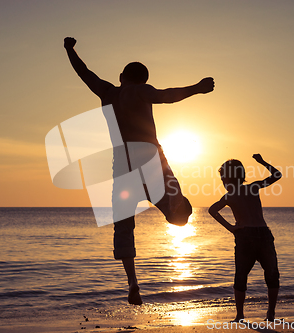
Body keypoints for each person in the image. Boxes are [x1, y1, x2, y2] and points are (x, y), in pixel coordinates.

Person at [64, 37, 214, 305]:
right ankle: (168, 202)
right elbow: (167, 95)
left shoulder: (108, 92)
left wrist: (70, 49)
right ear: (144, 81)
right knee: (181, 217)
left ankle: (133, 283)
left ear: (121, 76)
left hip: (122, 165)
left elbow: (84, 73)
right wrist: (198, 88)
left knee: (124, 227)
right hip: (150, 159)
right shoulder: (142, 92)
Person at [208, 154, 281, 322]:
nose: (222, 181)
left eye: (223, 178)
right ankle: (268, 313)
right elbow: (276, 175)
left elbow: (212, 210)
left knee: (245, 276)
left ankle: (242, 315)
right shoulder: (252, 187)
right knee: (269, 274)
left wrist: (232, 228)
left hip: (250, 235)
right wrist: (262, 162)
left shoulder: (231, 195)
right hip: (260, 234)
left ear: (229, 177)